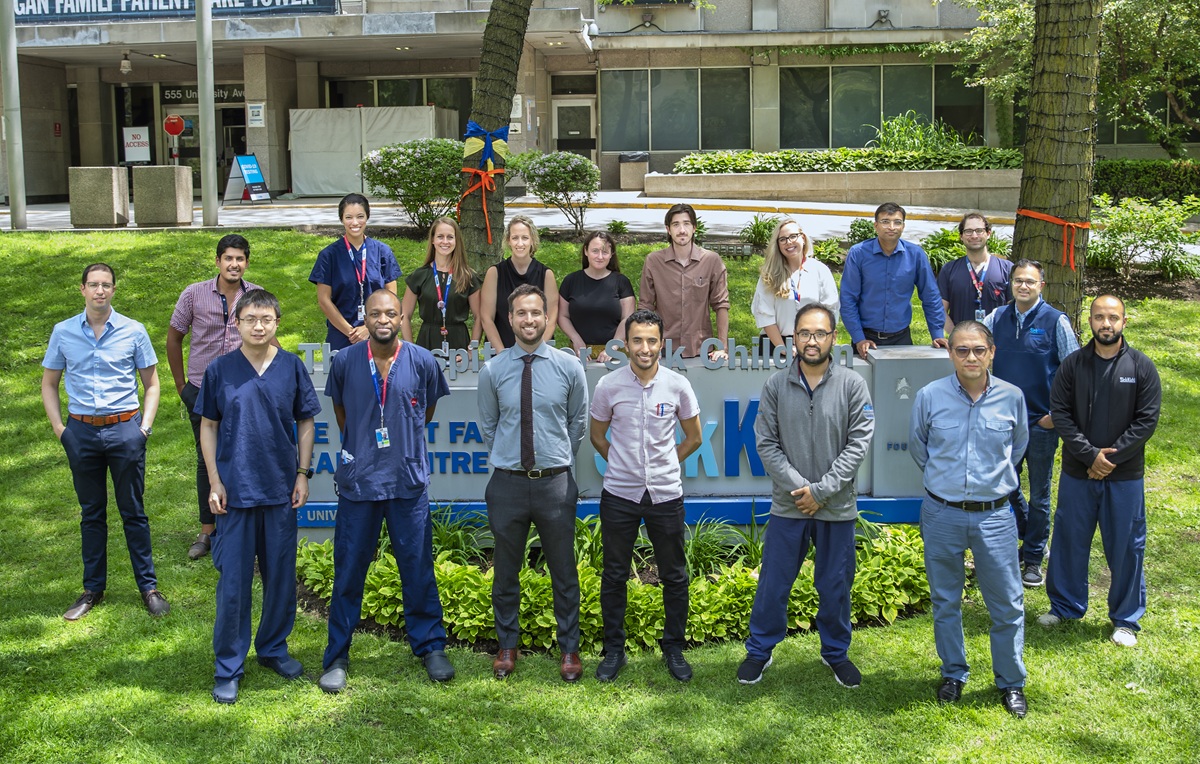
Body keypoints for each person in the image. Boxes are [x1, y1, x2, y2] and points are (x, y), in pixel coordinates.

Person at [318, 290, 455, 692]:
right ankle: (337, 655)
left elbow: (425, 412)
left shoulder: (422, 360)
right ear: (366, 316)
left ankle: (430, 646)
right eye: (375, 313)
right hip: (360, 482)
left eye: (390, 313)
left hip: (406, 482)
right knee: (348, 571)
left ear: (400, 317)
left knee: (417, 567)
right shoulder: (345, 362)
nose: (383, 319)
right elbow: (343, 414)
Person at [738, 304, 873, 687]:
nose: (812, 341)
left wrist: (822, 491)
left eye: (820, 333)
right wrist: (802, 489)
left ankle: (836, 654)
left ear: (833, 338)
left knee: (834, 585)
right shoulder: (776, 385)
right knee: (774, 585)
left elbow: (858, 444)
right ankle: (759, 652)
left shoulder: (852, 385)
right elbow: (766, 443)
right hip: (789, 506)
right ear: (793, 338)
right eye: (804, 333)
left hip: (836, 508)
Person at [197, 289, 321, 705]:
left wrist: (302, 474)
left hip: (280, 491)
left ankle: (272, 649)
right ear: (237, 323)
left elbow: (306, 421)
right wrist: (215, 480)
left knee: (281, 579)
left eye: (266, 319)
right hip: (235, 492)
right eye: (250, 319)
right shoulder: (220, 370)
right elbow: (208, 426)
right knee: (233, 584)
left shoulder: (291, 368)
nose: (258, 326)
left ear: (276, 323)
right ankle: (228, 666)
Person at [909, 320, 1029, 718]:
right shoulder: (929, 397)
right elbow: (918, 447)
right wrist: (946, 486)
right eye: (962, 350)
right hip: (942, 512)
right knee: (946, 600)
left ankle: (1010, 682)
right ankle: (953, 673)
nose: (971, 357)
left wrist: (988, 487)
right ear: (951, 354)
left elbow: (1017, 449)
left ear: (991, 352)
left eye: (979, 349)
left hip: (994, 516)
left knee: (1007, 604)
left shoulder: (1012, 398)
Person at [41, 263, 169, 621]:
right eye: (93, 285)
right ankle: (92, 589)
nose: (100, 291)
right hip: (80, 433)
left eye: (106, 285)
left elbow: (153, 383)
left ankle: (149, 587)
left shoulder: (133, 330)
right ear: (82, 289)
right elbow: (49, 383)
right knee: (92, 513)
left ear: (114, 290)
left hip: (125, 430)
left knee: (134, 512)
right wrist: (59, 429)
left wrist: (143, 428)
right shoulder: (63, 331)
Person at [477, 284, 588, 681]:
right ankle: (507, 646)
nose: (529, 320)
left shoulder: (569, 367)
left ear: (547, 318)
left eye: (536, 313)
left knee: (563, 571)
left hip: (554, 484)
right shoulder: (493, 370)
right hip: (506, 484)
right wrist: (511, 458)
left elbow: (578, 424)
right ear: (510, 319)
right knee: (505, 570)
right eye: (521, 313)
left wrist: (552, 457)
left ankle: (569, 650)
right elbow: (489, 426)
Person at [1039, 295, 1161, 648]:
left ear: (1125, 321)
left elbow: (1146, 421)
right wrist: (1090, 455)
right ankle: (1064, 606)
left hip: (1124, 476)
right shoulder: (1073, 365)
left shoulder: (1142, 367)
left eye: (1113, 317)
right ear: (1088, 322)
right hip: (1078, 472)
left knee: (1126, 546)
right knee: (1069, 540)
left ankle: (1125, 619)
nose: (1105, 324)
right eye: (1098, 317)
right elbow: (1060, 413)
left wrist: (1110, 459)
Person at [589, 310, 702, 682]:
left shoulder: (677, 385)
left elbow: (693, 437)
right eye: (637, 340)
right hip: (619, 493)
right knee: (615, 575)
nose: (645, 347)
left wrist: (667, 461)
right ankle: (614, 651)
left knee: (674, 574)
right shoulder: (608, 386)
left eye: (652, 340)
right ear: (626, 343)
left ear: (661, 343)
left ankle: (674, 649)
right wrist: (621, 463)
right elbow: (597, 437)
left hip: (666, 494)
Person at [167, 233, 265, 561]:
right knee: (205, 459)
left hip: (242, 390)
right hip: (200, 389)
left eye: (240, 259)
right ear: (218, 261)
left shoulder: (256, 296)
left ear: (246, 263)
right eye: (228, 258)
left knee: (242, 454)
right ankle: (207, 530)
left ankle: (239, 525)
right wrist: (182, 386)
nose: (234, 264)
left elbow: (267, 338)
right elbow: (174, 338)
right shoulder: (194, 294)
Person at [981, 259, 1079, 587]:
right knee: (1005, 484)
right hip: (1003, 422)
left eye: (1030, 282)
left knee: (1039, 493)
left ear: (1041, 286)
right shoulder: (996, 318)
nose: (1024, 286)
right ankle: (1027, 532)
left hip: (1041, 423)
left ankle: (1033, 557)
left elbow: (1074, 371)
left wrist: (1058, 416)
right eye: (1018, 281)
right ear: (1011, 284)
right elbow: (980, 361)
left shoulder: (1056, 321)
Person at [840, 202, 948, 359]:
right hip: (865, 339)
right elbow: (848, 299)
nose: (891, 227)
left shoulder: (916, 255)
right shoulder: (858, 254)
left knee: (903, 383)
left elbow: (930, 296)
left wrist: (937, 333)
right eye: (885, 221)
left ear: (903, 226)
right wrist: (859, 338)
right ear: (876, 225)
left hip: (901, 338)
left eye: (897, 222)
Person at [310, 192, 402, 351]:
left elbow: (391, 297)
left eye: (360, 216)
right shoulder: (328, 255)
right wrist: (351, 332)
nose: (355, 222)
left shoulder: (382, 252)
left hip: (378, 331)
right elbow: (324, 300)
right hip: (341, 335)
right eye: (348, 217)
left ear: (367, 217)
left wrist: (368, 329)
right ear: (341, 219)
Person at [638, 203, 730, 360]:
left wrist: (722, 348)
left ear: (694, 227)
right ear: (668, 229)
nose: (681, 230)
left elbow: (721, 305)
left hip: (701, 348)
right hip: (664, 349)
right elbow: (645, 307)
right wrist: (647, 345)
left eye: (686, 224)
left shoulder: (711, 261)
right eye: (676, 224)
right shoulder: (654, 261)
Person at [750, 218, 839, 353]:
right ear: (778, 244)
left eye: (793, 236)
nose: (789, 242)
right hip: (775, 345)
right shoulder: (770, 274)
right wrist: (783, 348)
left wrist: (816, 342)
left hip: (813, 345)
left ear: (802, 238)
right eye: (783, 239)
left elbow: (830, 310)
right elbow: (764, 314)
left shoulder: (820, 271)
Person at [400, 216, 482, 353]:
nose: (445, 241)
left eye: (450, 237)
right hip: (427, 341)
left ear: (457, 241)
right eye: (440, 237)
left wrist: (470, 352)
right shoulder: (419, 276)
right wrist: (411, 350)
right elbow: (404, 316)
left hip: (459, 343)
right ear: (432, 240)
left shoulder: (468, 276)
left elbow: (479, 317)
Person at [479, 215, 558, 350]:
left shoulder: (546, 275)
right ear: (508, 241)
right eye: (515, 238)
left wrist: (536, 352)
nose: (520, 243)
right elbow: (487, 318)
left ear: (532, 240)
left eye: (525, 238)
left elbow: (550, 320)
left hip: (538, 353)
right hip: (502, 351)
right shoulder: (494, 273)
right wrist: (502, 353)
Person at [558, 231, 636, 362]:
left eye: (605, 252)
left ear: (611, 254)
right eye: (595, 251)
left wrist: (613, 347)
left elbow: (627, 318)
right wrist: (576, 340)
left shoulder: (621, 282)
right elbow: (562, 315)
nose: (600, 256)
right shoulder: (571, 281)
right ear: (586, 251)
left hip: (615, 354)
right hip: (580, 353)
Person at [938, 212, 1012, 334]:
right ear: (961, 236)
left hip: (997, 343)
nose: (974, 235)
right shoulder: (949, 270)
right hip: (961, 345)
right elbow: (940, 310)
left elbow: (1014, 310)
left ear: (988, 234)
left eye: (979, 230)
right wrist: (956, 336)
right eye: (968, 231)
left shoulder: (1007, 268)